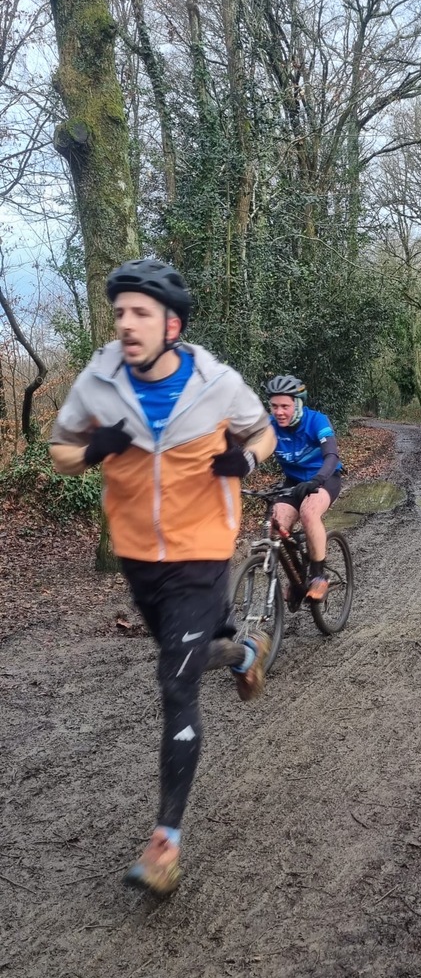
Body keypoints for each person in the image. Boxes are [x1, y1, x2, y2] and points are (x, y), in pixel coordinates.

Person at [50, 258, 277, 896]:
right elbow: (60, 453)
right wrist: (91, 452)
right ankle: (243, 653)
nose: (126, 323)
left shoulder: (217, 384)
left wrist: (246, 460)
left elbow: (261, 433)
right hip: (138, 554)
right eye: (120, 312)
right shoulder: (97, 382)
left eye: (140, 313)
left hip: (202, 549)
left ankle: (165, 843)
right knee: (187, 655)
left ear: (172, 324)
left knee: (175, 681)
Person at [266, 375, 342, 601]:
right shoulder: (270, 426)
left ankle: (318, 575)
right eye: (274, 406)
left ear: (297, 404)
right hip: (294, 481)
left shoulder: (316, 421)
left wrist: (317, 480)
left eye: (285, 406)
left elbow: (331, 455)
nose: (279, 412)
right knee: (275, 525)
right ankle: (297, 577)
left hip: (324, 478)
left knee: (309, 512)